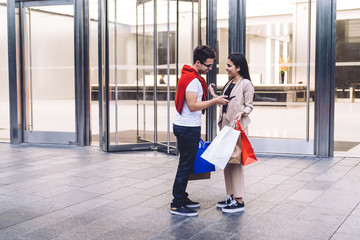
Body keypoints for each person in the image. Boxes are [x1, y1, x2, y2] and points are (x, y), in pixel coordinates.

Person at [171, 45, 230, 217]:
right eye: (208, 65)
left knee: (187, 164)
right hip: (187, 127)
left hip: (188, 126)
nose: (209, 69)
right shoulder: (192, 80)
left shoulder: (191, 76)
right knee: (185, 165)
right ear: (198, 62)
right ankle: (177, 203)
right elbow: (192, 105)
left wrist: (211, 94)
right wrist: (215, 101)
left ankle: (182, 197)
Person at [208, 52, 254, 213]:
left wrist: (243, 113)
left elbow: (249, 105)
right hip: (226, 127)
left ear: (238, 67)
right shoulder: (229, 83)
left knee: (236, 163)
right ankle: (232, 195)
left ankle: (239, 200)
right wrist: (214, 95)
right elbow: (225, 101)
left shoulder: (246, 84)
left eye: (229, 65)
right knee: (227, 162)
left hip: (237, 128)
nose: (226, 68)